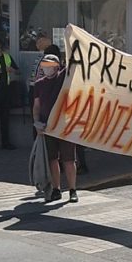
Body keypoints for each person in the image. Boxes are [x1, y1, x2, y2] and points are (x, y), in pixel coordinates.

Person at [32, 54, 78, 203]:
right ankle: (56, 189)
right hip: (47, 128)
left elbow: (75, 63)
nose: (47, 68)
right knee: (52, 160)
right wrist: (37, 123)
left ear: (57, 66)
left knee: (69, 160)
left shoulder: (64, 78)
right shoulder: (39, 84)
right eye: (44, 65)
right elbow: (37, 106)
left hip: (65, 127)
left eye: (50, 65)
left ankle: (72, 190)